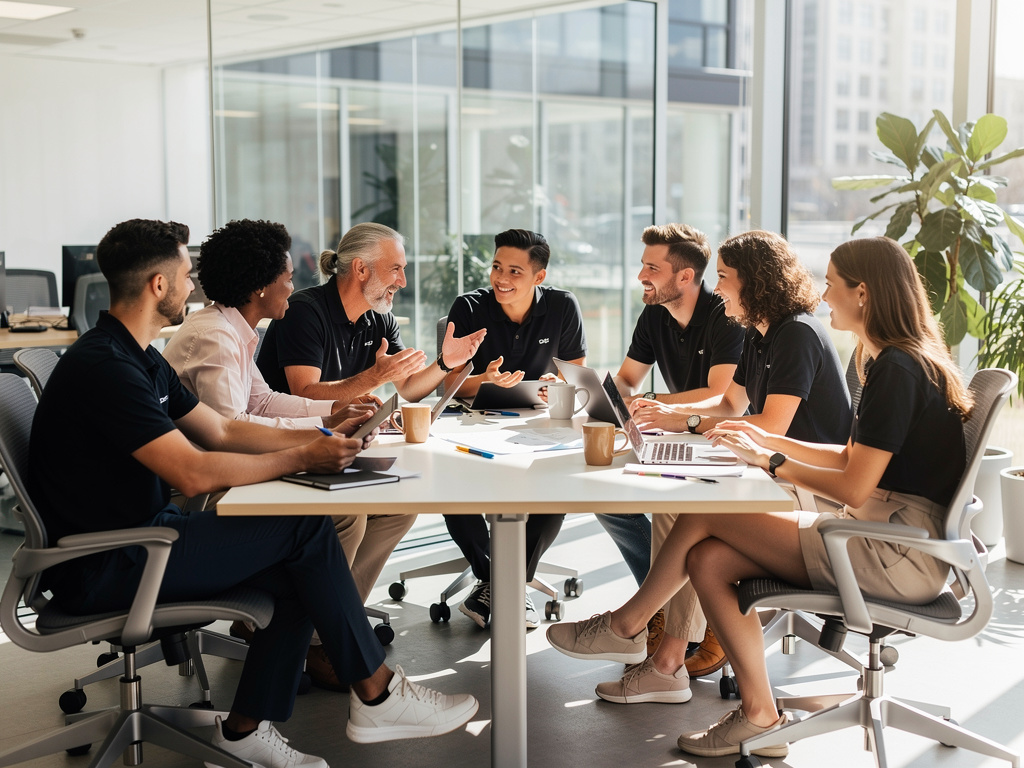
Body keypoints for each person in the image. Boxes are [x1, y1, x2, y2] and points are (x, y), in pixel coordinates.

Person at [29, 219, 479, 768]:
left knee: (299, 563)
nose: (193, 282)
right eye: (183, 273)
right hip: (112, 560)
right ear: (157, 285)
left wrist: (322, 435)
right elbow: (194, 473)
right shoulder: (106, 368)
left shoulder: (138, 355)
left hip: (148, 538)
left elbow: (222, 428)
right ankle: (378, 694)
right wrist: (302, 455)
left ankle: (245, 731)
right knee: (306, 531)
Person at [546, 235, 970, 759]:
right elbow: (848, 453)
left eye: (832, 285)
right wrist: (768, 440)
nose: (822, 294)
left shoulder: (896, 369)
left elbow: (855, 486)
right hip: (888, 536)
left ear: (862, 294)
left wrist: (770, 460)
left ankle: (627, 625)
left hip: (894, 552)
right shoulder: (892, 362)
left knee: (710, 514)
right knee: (707, 558)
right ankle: (758, 713)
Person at [560, 230, 852, 707]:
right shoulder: (763, 334)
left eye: (725, 277)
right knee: (676, 502)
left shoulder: (796, 333)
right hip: (777, 473)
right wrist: (682, 418)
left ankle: (651, 647)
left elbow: (770, 424)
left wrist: (690, 421)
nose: (717, 290)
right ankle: (660, 658)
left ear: (756, 282)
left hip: (810, 485)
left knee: (687, 510)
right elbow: (733, 402)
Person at [162, 219, 416, 691]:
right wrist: (317, 435)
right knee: (344, 517)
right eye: (286, 275)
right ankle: (317, 641)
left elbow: (262, 404)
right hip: (213, 488)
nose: (293, 285)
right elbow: (232, 432)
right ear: (260, 286)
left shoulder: (236, 330)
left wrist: (333, 413)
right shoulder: (215, 338)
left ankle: (320, 626)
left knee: (396, 504)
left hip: (236, 470)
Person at [597, 223, 744, 674]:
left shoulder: (725, 313)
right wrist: (607, 393)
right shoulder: (655, 315)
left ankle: (699, 622)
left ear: (684, 277)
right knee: (607, 499)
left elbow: (724, 397)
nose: (641, 274)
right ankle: (665, 603)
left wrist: (654, 403)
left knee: (672, 505)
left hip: (722, 436)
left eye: (651, 267)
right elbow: (628, 378)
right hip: (676, 433)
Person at [443, 228, 587, 629]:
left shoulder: (562, 306)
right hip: (470, 420)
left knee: (558, 480)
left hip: (536, 422)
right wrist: (485, 381)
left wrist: (557, 387)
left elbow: (574, 376)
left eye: (514, 271)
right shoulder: (469, 308)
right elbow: (448, 384)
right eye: (496, 267)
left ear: (538, 277)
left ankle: (505, 583)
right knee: (451, 479)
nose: (501, 279)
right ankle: (496, 578)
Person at [256, 221, 485, 404]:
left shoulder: (381, 317)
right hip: (293, 437)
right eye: (395, 269)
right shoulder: (303, 312)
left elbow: (408, 388)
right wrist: (377, 375)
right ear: (361, 269)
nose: (403, 282)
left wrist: (445, 362)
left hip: (340, 433)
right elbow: (304, 396)